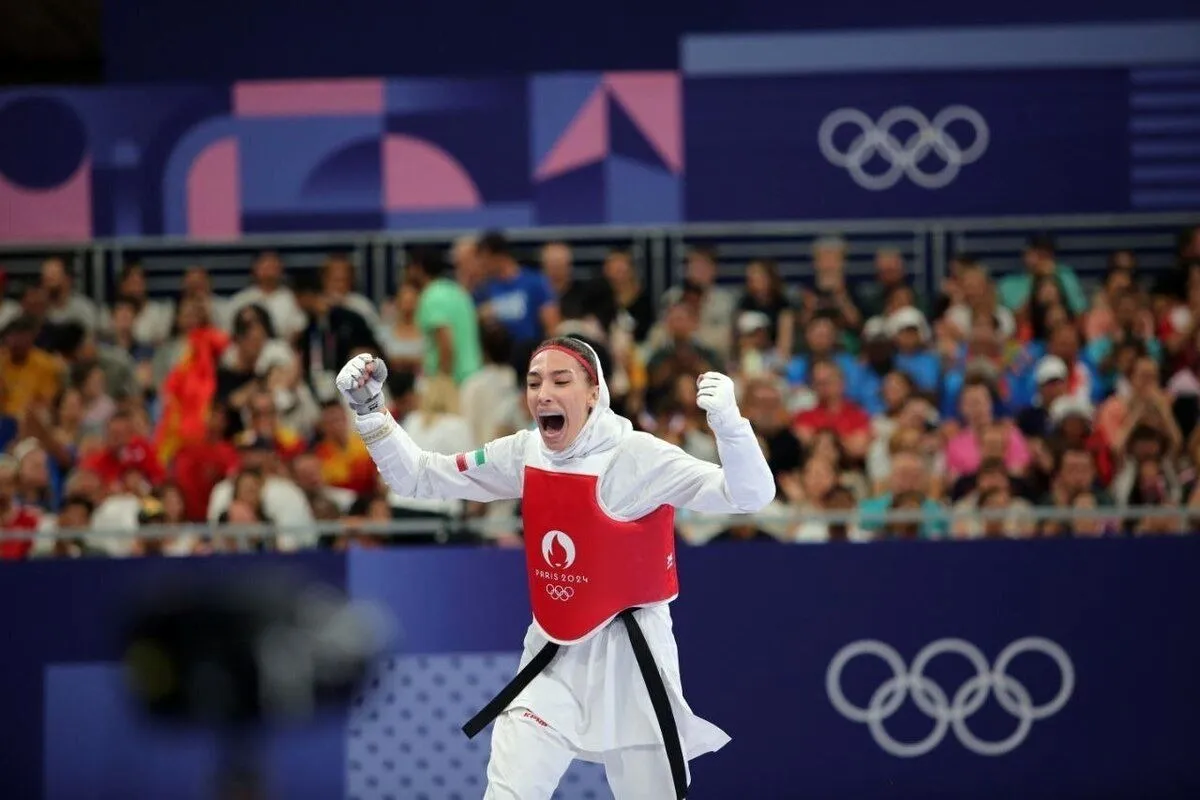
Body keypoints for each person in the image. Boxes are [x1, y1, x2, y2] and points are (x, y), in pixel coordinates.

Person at [336, 338, 775, 799]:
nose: (543, 393)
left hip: (633, 663)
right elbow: (418, 476)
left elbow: (750, 495)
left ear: (594, 392)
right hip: (550, 657)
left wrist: (730, 425)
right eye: (534, 382)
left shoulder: (637, 457)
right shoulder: (523, 452)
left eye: (561, 381)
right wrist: (369, 410)